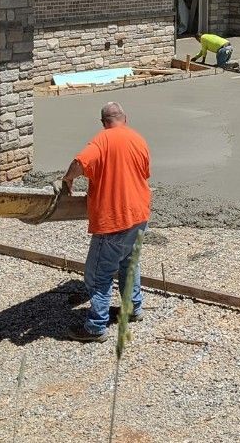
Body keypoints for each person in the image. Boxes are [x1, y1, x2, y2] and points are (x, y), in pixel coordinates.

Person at [61, 102, 152, 342]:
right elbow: (142, 174)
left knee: (97, 275)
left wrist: (68, 179)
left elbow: (80, 163)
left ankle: (96, 326)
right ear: (125, 118)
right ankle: (132, 309)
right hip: (139, 215)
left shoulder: (102, 140)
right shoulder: (139, 139)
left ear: (103, 123)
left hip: (115, 220)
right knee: (129, 264)